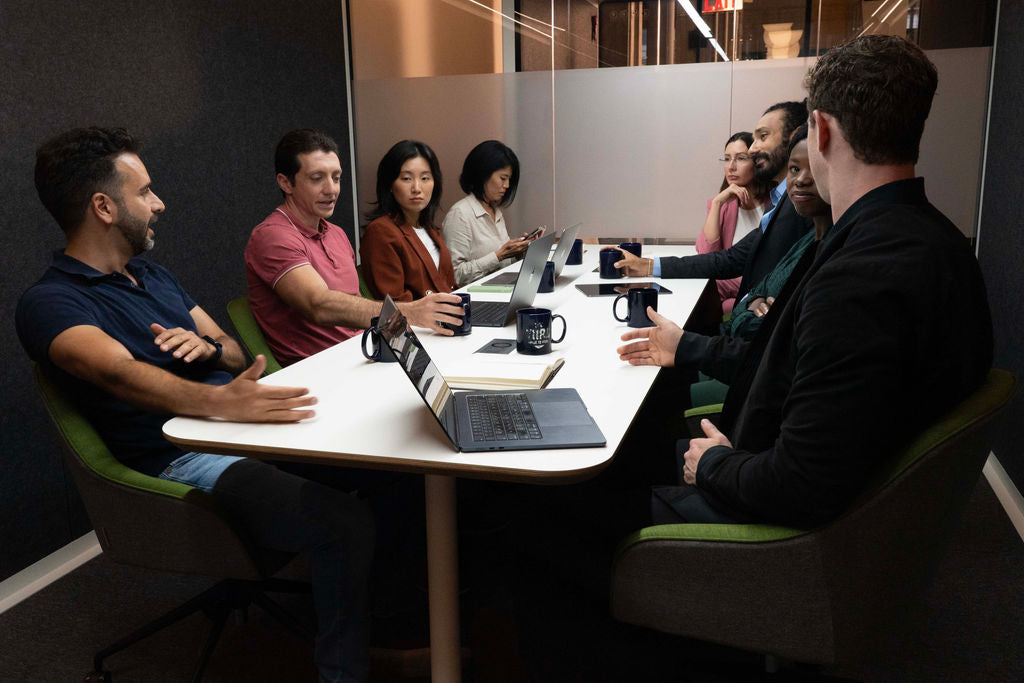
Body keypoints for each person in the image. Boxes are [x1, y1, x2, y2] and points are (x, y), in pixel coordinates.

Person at [17, 127, 374, 682]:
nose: (158, 202)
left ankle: (386, 628)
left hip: (237, 429)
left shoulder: (155, 276)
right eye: (146, 192)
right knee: (343, 521)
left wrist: (210, 348)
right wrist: (221, 404)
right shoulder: (50, 302)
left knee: (391, 474)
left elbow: (230, 348)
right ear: (104, 207)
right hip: (176, 459)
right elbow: (119, 373)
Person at [617, 36, 993, 529]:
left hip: (773, 531)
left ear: (820, 131)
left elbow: (800, 484)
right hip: (811, 491)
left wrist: (715, 464)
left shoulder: (860, 278)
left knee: (562, 501)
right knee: (636, 449)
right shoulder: (927, 239)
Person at [245, 129, 463, 367]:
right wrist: (410, 312)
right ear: (285, 183)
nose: (331, 190)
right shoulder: (272, 236)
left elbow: (355, 305)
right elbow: (319, 304)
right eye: (317, 178)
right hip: (321, 371)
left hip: (363, 356)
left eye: (336, 178)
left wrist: (409, 352)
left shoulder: (336, 234)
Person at [611, 102, 812, 309]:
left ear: (795, 136)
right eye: (726, 159)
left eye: (763, 136)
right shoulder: (780, 203)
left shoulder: (803, 205)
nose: (753, 149)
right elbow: (727, 259)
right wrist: (649, 265)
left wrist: (755, 299)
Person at [360, 140, 456, 301]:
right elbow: (396, 303)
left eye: (425, 178)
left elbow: (448, 285)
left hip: (449, 314)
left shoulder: (429, 229)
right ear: (390, 184)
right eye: (406, 179)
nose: (417, 188)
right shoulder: (381, 231)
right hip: (418, 324)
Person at [442, 140, 542, 286]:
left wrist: (518, 252)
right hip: (476, 300)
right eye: (503, 178)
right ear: (483, 174)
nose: (507, 186)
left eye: (509, 180)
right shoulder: (460, 214)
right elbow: (454, 276)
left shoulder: (496, 212)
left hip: (501, 290)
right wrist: (499, 255)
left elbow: (501, 266)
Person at [697, 132, 768, 314]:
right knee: (712, 294)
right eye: (727, 159)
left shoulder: (775, 203)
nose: (732, 167)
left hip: (763, 283)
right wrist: (717, 204)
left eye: (741, 159)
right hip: (739, 292)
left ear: (757, 162)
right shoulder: (722, 206)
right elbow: (706, 259)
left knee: (708, 291)